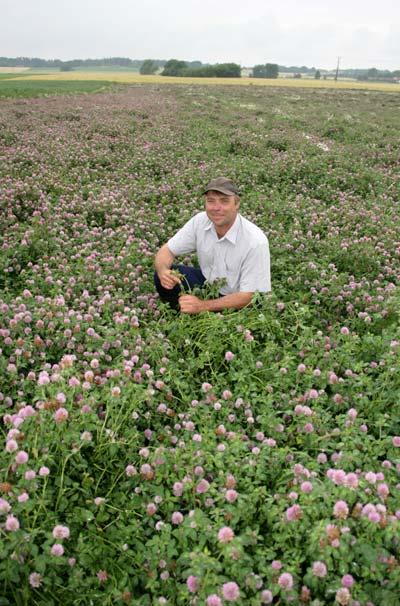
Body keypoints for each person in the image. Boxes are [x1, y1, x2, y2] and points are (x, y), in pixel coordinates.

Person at [154, 176, 271, 314]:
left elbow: (249, 295)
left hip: (241, 300)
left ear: (237, 203)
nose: (216, 208)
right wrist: (163, 271)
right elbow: (166, 251)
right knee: (164, 274)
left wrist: (202, 305)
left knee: (247, 311)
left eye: (224, 201)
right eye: (211, 201)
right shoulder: (200, 221)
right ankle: (178, 315)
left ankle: (203, 316)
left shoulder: (255, 241)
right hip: (209, 285)